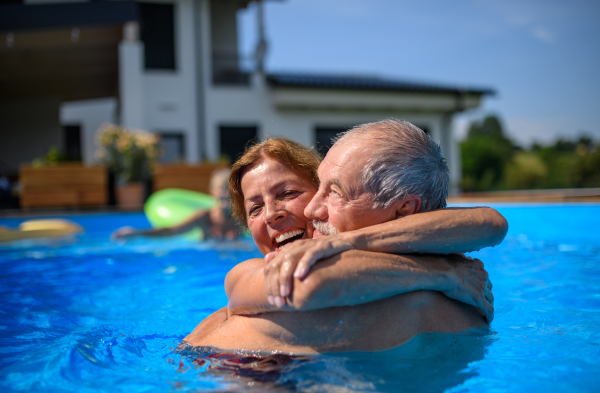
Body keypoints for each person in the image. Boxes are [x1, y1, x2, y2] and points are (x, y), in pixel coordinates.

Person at [184, 123, 507, 353]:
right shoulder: (465, 284)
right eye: (253, 209)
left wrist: (343, 242)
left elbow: (491, 222)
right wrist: (444, 275)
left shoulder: (463, 285)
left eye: (290, 193)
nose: (313, 209)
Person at [112, 168, 240, 240]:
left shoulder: (241, 219)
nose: (225, 194)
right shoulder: (204, 217)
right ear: (211, 191)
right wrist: (136, 233)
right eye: (221, 188)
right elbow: (171, 231)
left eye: (228, 189)